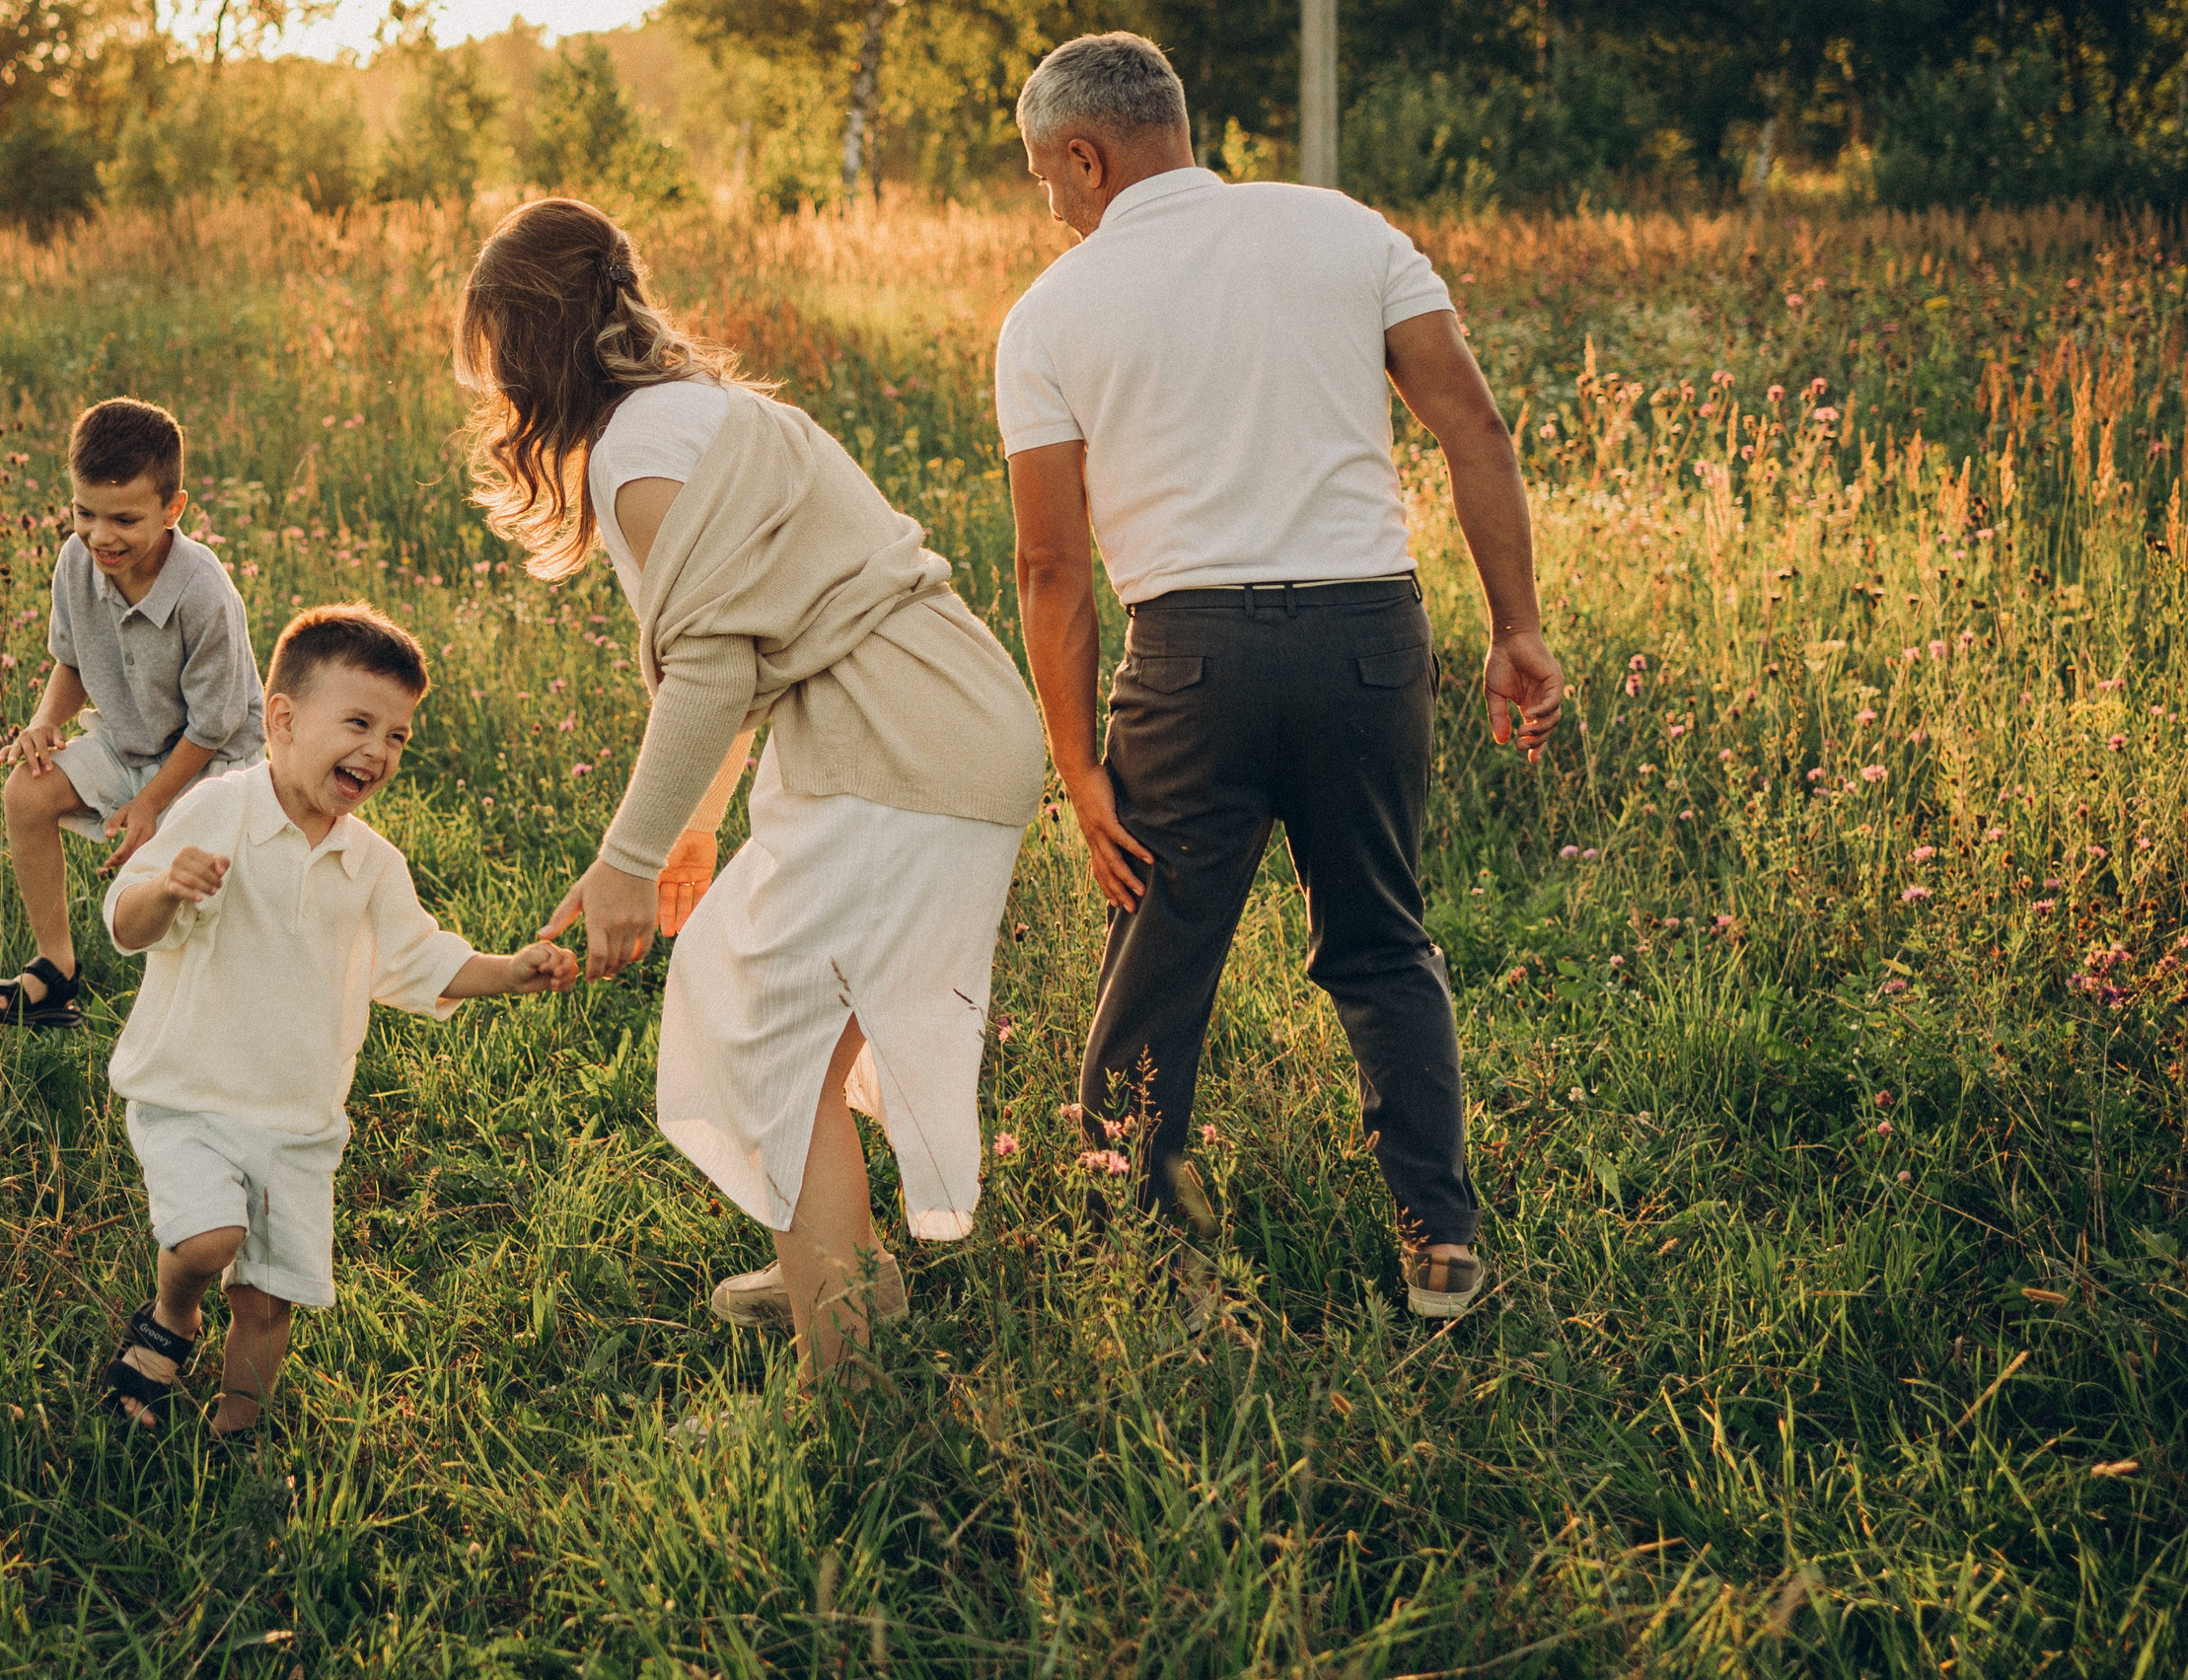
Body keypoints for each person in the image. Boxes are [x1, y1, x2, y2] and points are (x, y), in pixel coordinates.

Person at [997, 34, 1566, 1319]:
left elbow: (1049, 566)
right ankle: (1440, 1241)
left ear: (1085, 157)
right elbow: (1472, 426)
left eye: (1044, 177)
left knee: (1161, 945)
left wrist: (1080, 766)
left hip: (1193, 663)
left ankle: (1151, 1256)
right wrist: (1516, 626)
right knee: (1381, 938)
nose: (1049, 202)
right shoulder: (1344, 232)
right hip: (1372, 638)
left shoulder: (1053, 313)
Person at [454, 199, 1047, 1384]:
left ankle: (848, 1372)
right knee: (784, 1005)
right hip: (936, 722)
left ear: (527, 341)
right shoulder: (714, 413)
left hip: (903, 746)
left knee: (770, 1037)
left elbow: (716, 664)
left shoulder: (636, 452)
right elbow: (752, 642)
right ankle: (829, 1254)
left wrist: (627, 858)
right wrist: (700, 819)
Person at [95, 604, 576, 1436]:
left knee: (269, 1300)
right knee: (209, 1241)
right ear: (281, 720)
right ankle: (172, 1317)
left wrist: (512, 972)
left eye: (397, 737)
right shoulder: (220, 813)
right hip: (190, 1093)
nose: (379, 751)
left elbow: (419, 958)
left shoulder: (371, 863)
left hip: (298, 1120)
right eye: (358, 722)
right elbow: (123, 921)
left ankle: (238, 1428)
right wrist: (166, 887)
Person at [0, 398, 267, 1029]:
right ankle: (56, 968)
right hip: (129, 740)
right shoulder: (76, 563)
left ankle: (212, 1004)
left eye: (125, 519)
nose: (102, 536)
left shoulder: (203, 593)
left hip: (213, 761)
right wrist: (44, 721)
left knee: (191, 886)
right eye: (85, 513)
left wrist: (152, 804)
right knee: (26, 794)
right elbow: (73, 662)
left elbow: (213, 727)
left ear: (172, 510)